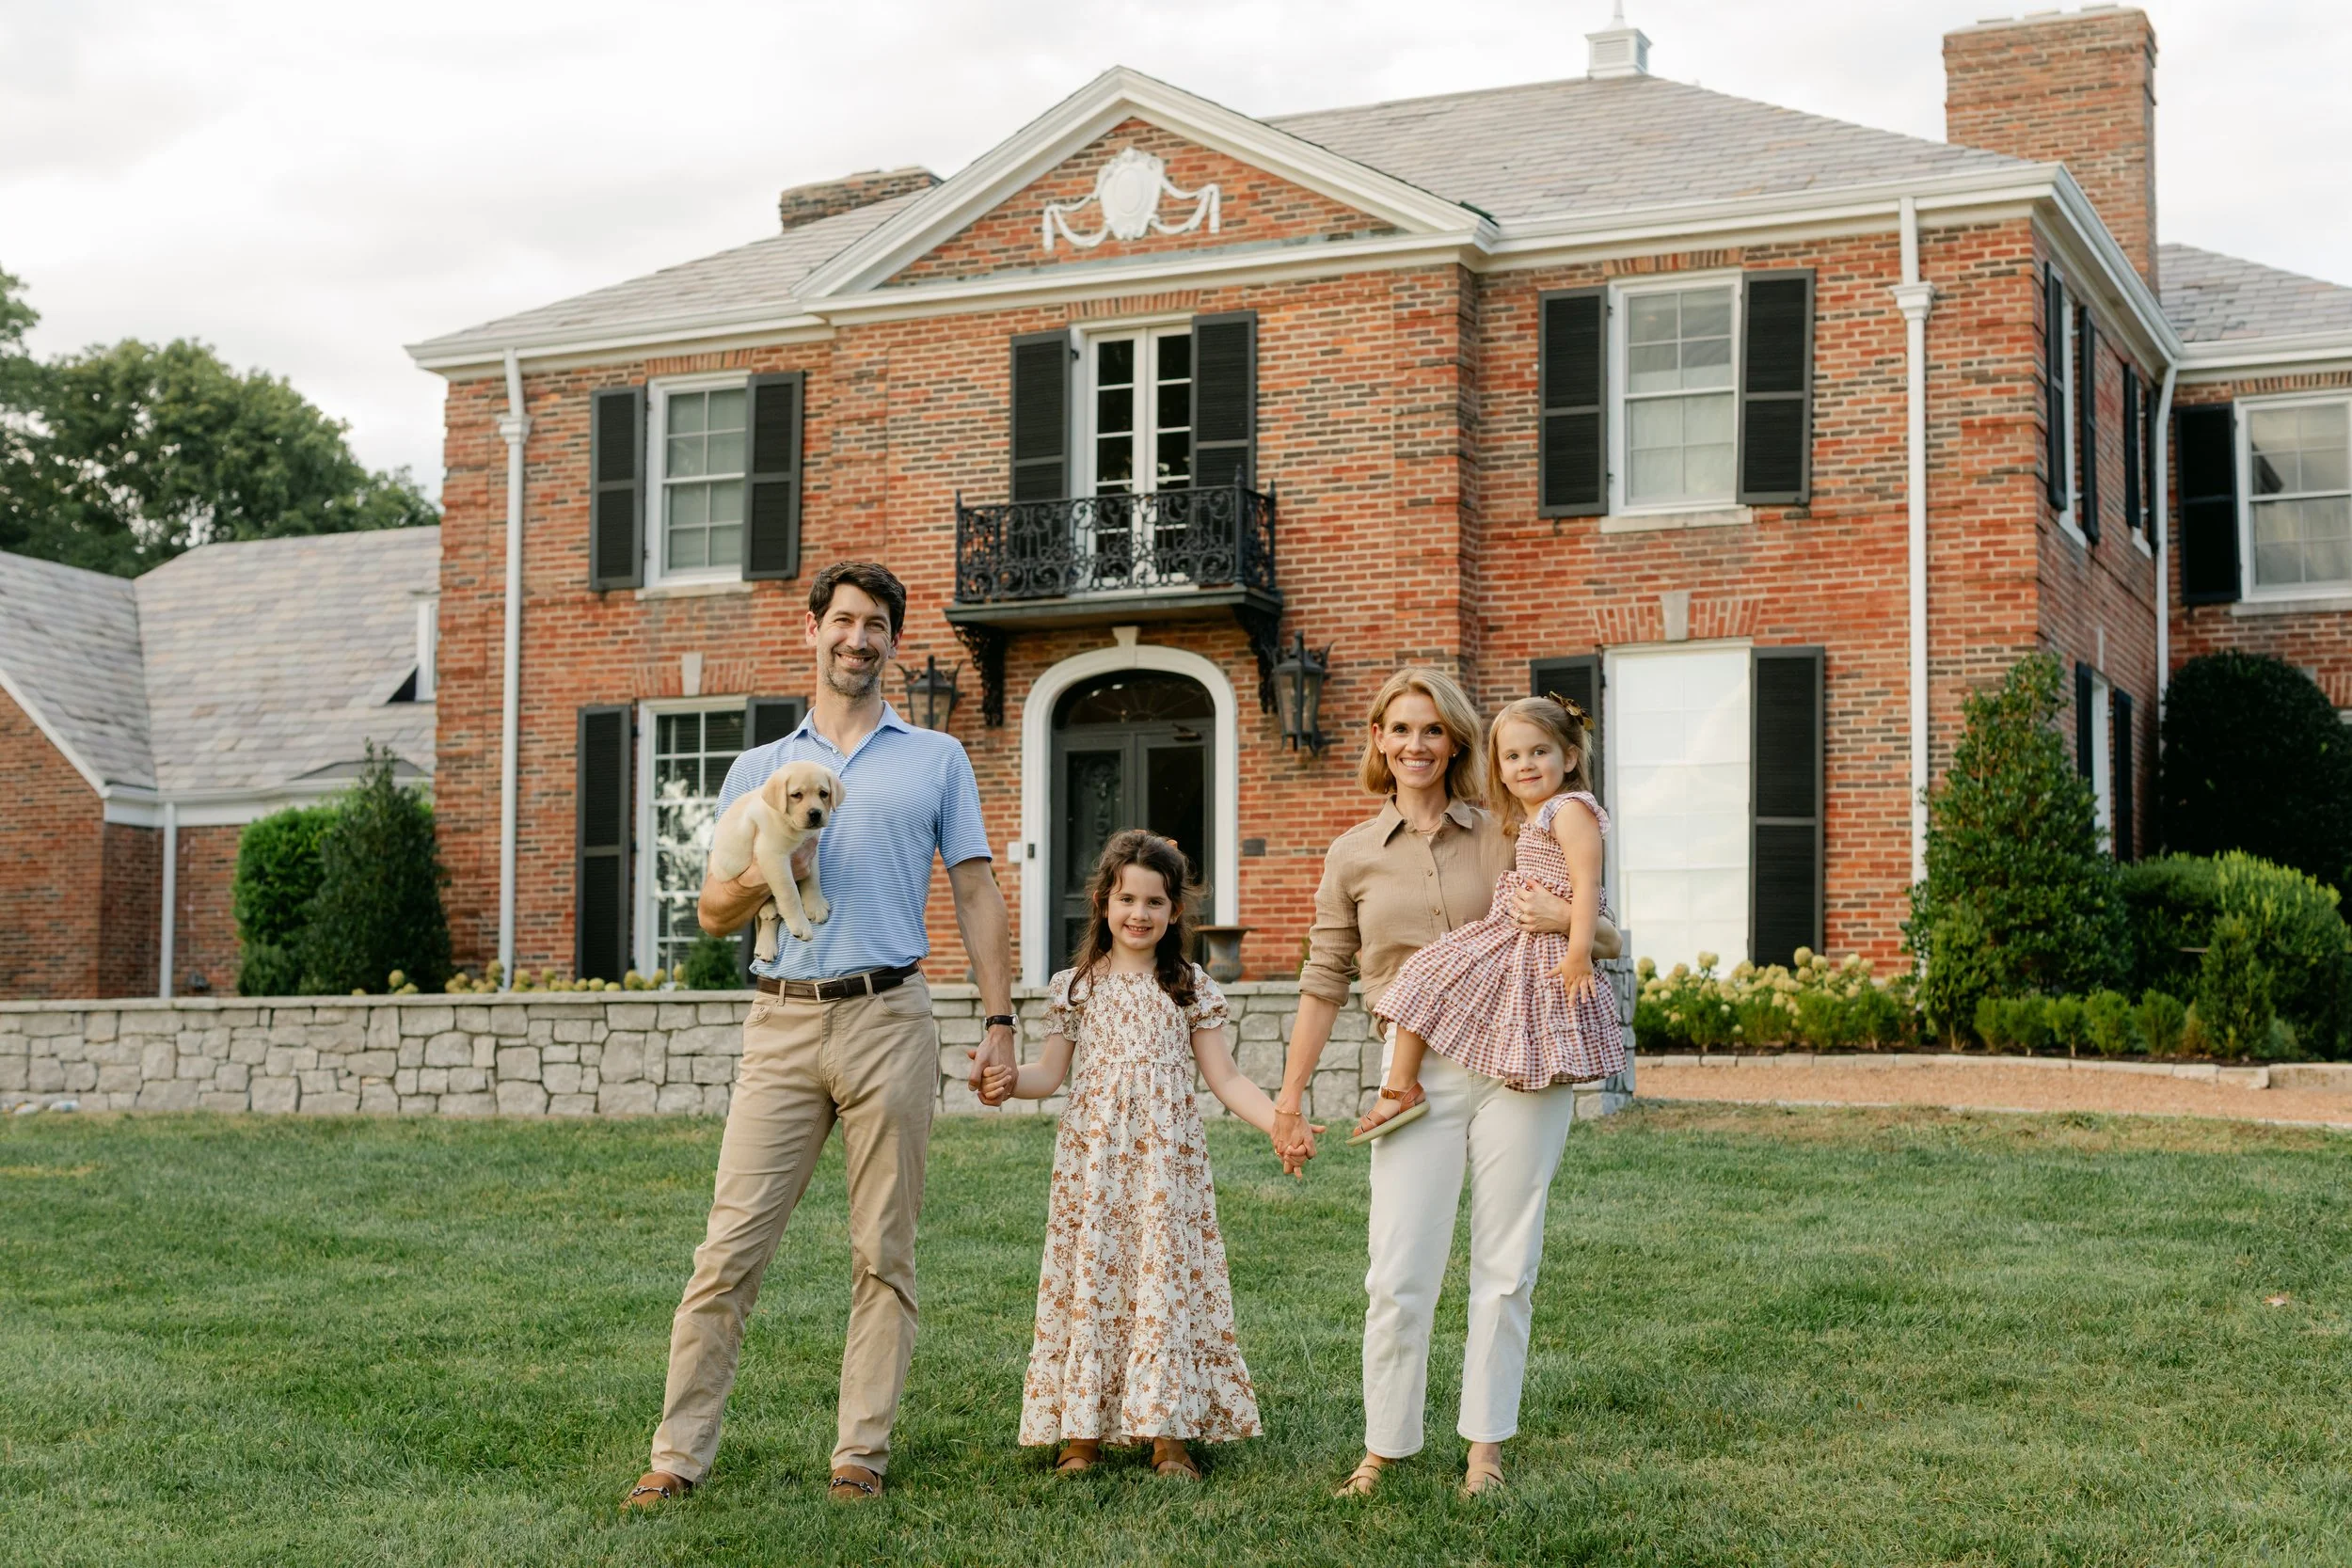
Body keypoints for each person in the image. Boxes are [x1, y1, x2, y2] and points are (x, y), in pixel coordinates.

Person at [627, 561, 1019, 1511]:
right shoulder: (758, 770)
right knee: (728, 1248)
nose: (858, 638)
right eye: (843, 620)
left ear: (891, 640)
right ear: (813, 631)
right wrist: (778, 862)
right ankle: (676, 1456)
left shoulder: (935, 757)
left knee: (883, 1250)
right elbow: (715, 912)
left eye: (876, 623)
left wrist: (1002, 1019)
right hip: (781, 1022)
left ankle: (860, 1455)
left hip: (891, 1016)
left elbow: (973, 888)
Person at [1269, 667, 1618, 1499]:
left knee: (1507, 1261)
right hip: (1414, 1072)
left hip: (1519, 1059)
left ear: (1456, 740)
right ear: (1379, 743)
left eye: (1432, 730)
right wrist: (1289, 1097)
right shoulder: (1352, 852)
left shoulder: (1508, 827)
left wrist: (1579, 930)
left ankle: (1484, 1450)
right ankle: (1384, 1445)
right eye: (1400, 730)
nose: (1416, 745)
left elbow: (1594, 924)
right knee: (1397, 1268)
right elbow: (1324, 978)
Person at [987, 829, 1295, 1481]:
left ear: (1175, 911)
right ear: (1104, 902)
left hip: (1164, 1169)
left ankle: (1168, 1434)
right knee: (1092, 1279)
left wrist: (1280, 1121)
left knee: (1161, 1282)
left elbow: (1228, 1079)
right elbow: (1048, 1073)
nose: (1139, 913)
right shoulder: (1075, 986)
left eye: (1155, 901)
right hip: (1094, 1168)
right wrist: (1011, 1081)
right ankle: (1081, 1432)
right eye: (1127, 898)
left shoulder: (1189, 987)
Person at [1356, 694, 1625, 1136]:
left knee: (1429, 971)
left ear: (1570, 756)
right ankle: (1401, 1088)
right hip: (1518, 931)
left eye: (1540, 751)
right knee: (1424, 971)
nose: (1527, 765)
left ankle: (1402, 1091)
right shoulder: (1528, 817)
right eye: (1513, 756)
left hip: (1543, 942)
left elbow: (1588, 889)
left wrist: (1578, 954)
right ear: (1498, 768)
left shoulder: (1571, 810)